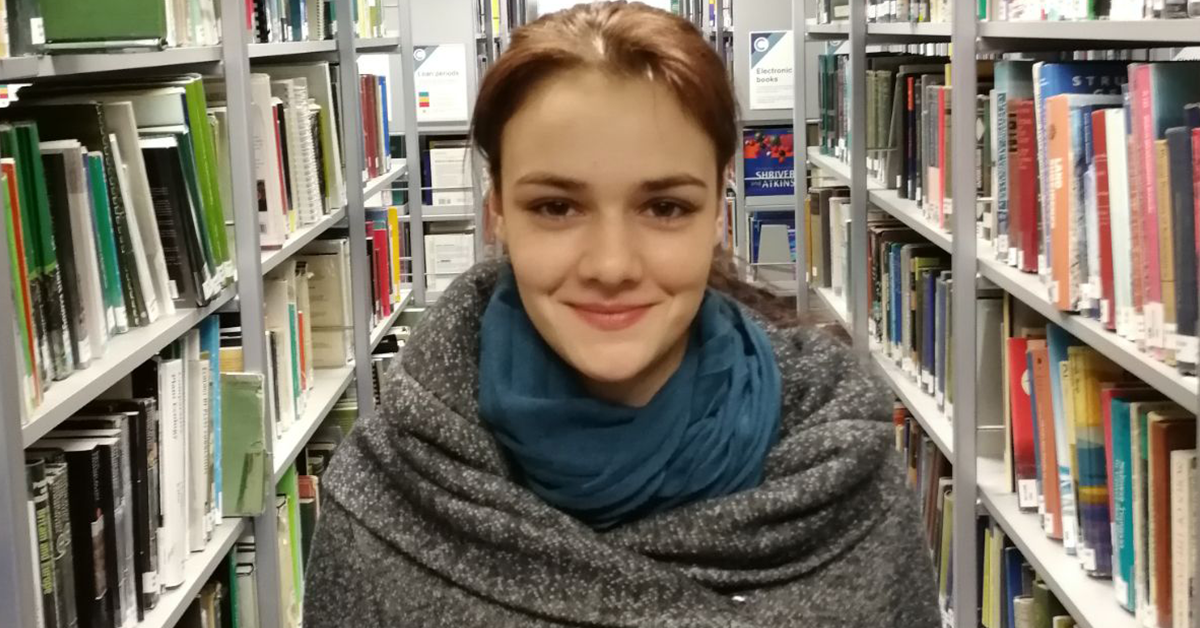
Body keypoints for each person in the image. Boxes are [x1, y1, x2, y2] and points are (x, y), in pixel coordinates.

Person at [304, 3, 940, 627]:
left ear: (719, 214)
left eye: (665, 208)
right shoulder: (385, 498)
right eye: (556, 207)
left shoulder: (847, 477)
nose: (611, 266)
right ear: (498, 215)